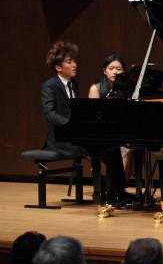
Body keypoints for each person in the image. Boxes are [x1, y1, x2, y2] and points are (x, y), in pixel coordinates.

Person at [43, 42, 129, 205]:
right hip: (60, 139)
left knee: (112, 146)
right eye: (69, 62)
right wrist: (70, 123)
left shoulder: (73, 84)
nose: (74, 65)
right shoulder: (50, 86)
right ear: (58, 67)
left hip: (73, 133)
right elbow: (49, 113)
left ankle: (117, 193)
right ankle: (102, 194)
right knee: (101, 149)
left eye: (74, 61)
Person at [88, 54, 132, 177]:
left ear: (123, 72)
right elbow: (92, 117)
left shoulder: (128, 91)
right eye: (111, 68)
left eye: (119, 69)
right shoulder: (95, 89)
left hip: (120, 132)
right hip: (101, 133)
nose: (115, 72)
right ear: (104, 71)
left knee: (127, 146)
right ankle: (116, 186)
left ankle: (119, 186)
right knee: (121, 146)